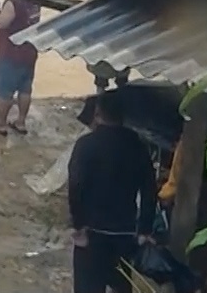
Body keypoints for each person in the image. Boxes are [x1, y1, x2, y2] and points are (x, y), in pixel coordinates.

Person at [67, 89, 156, 293]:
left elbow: (76, 185)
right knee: (121, 286)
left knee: (87, 287)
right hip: (124, 233)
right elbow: (150, 188)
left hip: (92, 233)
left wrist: (78, 224)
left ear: (98, 112)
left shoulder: (86, 145)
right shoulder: (138, 146)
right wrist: (144, 229)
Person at [0, 0, 42, 135]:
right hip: (29, 51)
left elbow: (2, 23)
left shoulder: (13, 2)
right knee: (25, 89)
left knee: (5, 91)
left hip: (11, 52)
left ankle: (0, 123)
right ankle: (21, 121)